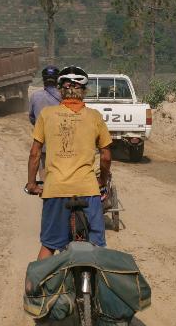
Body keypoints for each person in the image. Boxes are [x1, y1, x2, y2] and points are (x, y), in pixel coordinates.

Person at [26, 66, 112, 260]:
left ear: (60, 90)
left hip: (55, 190)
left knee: (48, 245)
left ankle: (37, 288)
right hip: (88, 190)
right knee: (97, 248)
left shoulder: (47, 115)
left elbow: (34, 153)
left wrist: (32, 184)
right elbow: (106, 156)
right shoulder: (95, 117)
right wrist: (103, 181)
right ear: (84, 90)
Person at [28, 65, 61, 180]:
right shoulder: (63, 97)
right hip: (62, 145)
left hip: (43, 144)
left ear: (43, 80)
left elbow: (32, 118)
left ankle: (45, 193)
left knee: (44, 175)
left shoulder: (35, 96)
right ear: (57, 79)